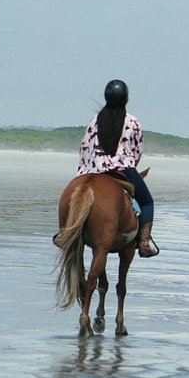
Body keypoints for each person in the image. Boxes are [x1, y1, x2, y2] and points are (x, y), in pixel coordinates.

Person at [77, 79, 158, 257]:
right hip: (122, 168)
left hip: (93, 169)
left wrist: (84, 170)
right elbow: (137, 151)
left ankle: (65, 232)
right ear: (126, 99)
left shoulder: (94, 121)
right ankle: (144, 243)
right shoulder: (132, 121)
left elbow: (84, 147)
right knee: (147, 202)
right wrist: (131, 167)